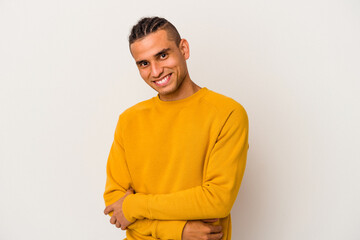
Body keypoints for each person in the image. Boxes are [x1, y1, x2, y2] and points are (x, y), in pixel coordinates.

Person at [103, 16, 249, 240]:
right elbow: (116, 206)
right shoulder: (129, 120)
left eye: (162, 55)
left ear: (183, 49)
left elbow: (216, 200)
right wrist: (176, 231)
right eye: (144, 63)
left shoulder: (227, 113)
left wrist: (135, 205)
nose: (155, 71)